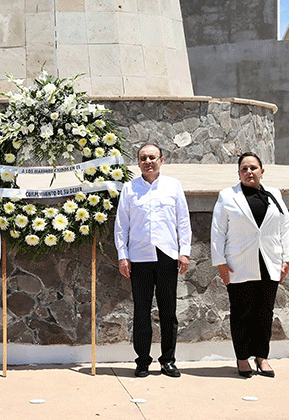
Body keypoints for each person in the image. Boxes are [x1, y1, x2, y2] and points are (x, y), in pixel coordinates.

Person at [211, 152, 289, 378]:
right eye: (244, 169)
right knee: (241, 312)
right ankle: (242, 358)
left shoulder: (274, 194)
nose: (249, 172)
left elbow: (285, 226)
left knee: (264, 312)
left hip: (270, 262)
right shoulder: (227, 196)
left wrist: (288, 259)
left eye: (253, 168)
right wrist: (220, 263)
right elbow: (218, 231)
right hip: (239, 263)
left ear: (261, 171)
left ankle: (262, 357)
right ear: (239, 173)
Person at [114, 144, 191, 378]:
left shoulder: (173, 186)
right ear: (138, 163)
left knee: (169, 312)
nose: (148, 161)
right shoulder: (129, 189)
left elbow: (183, 222)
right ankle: (143, 361)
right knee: (141, 311)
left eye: (152, 157)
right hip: (139, 258)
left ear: (161, 160)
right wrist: (122, 256)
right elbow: (121, 226)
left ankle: (168, 360)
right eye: (143, 158)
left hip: (167, 256)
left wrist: (184, 252)